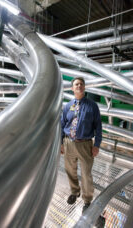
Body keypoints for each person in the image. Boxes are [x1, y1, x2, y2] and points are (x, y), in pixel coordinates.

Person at [61, 77, 102, 213]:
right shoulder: (68, 106)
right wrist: (61, 142)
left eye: (81, 84)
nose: (79, 86)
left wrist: (96, 144)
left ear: (84, 88)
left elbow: (98, 127)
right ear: (72, 88)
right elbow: (62, 125)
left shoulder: (92, 106)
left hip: (85, 144)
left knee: (86, 174)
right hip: (68, 143)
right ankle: (75, 192)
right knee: (70, 170)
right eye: (76, 84)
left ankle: (87, 200)